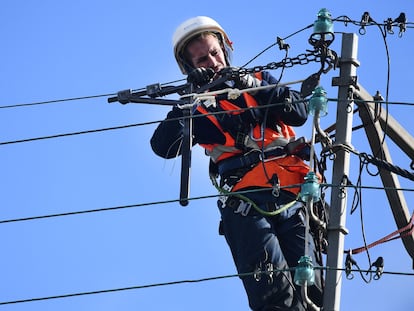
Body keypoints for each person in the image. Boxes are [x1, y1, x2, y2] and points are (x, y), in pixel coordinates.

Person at [150, 16, 323, 311]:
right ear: (191, 67)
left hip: (295, 194)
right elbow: (162, 146)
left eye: (214, 53)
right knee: (273, 294)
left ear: (225, 49)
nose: (212, 62)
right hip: (246, 202)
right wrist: (187, 102)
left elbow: (299, 111)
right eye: (202, 59)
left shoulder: (259, 81)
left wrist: (252, 85)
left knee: (315, 289)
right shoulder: (199, 107)